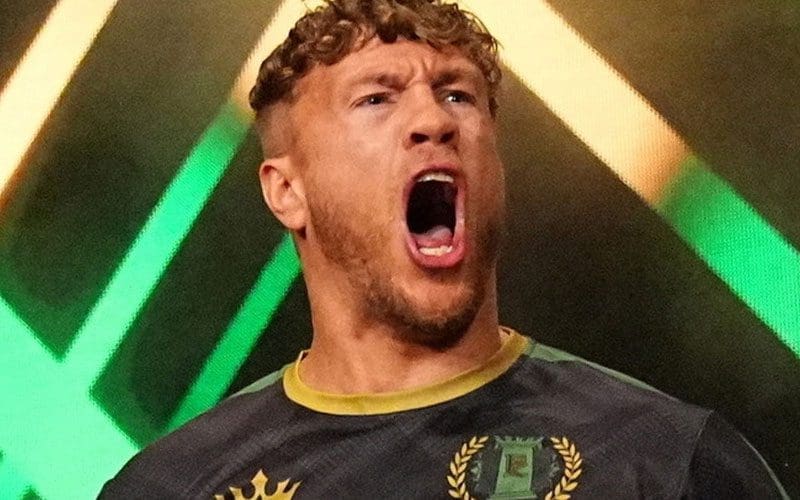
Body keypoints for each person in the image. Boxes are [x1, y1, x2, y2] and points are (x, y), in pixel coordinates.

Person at [99, 1, 788, 498]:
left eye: (458, 96)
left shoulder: (668, 463)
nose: (432, 120)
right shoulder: (174, 486)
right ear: (287, 191)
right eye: (376, 99)